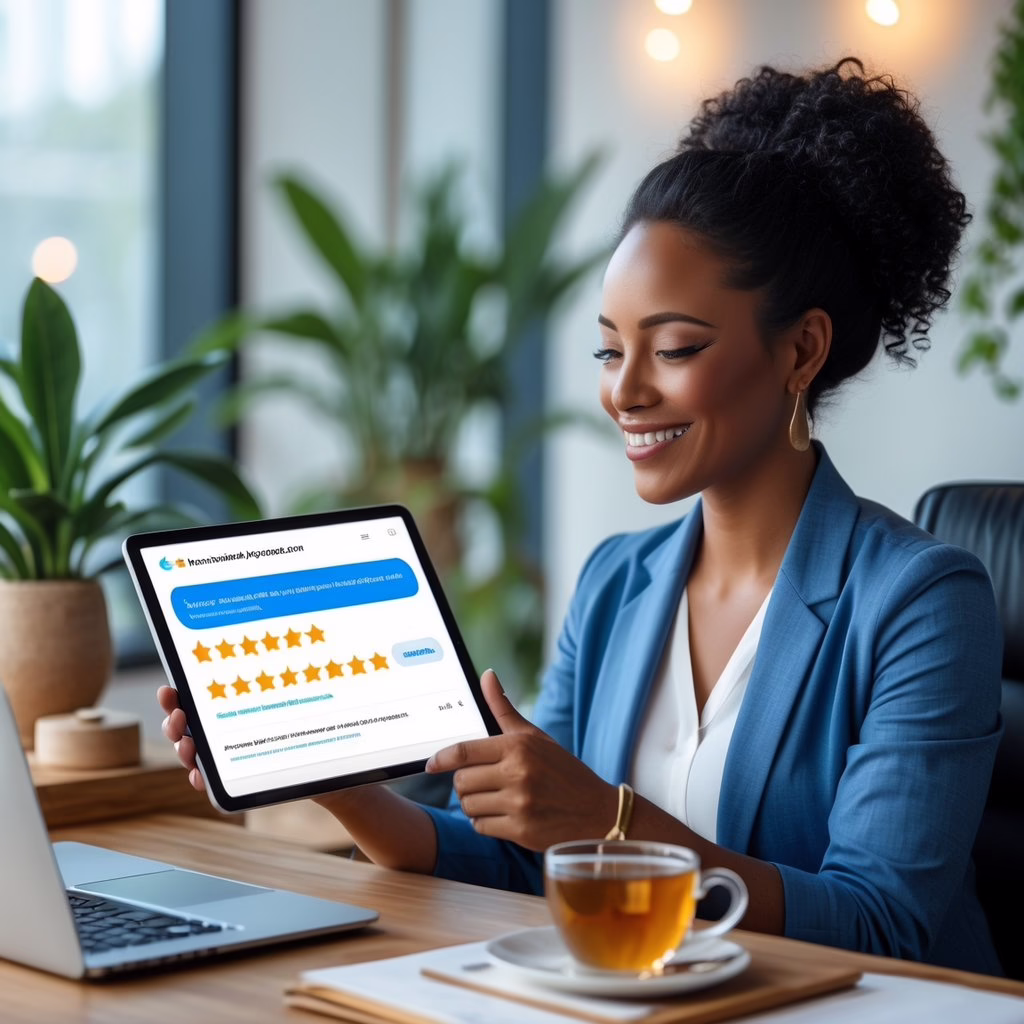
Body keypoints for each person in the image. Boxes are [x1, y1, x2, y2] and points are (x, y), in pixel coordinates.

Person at [159, 57, 1003, 975]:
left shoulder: (921, 601)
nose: (627, 392)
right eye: (609, 351)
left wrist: (610, 819)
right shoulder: (616, 584)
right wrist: (341, 786)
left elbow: (881, 927)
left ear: (801, 349)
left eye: (675, 346)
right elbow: (523, 861)